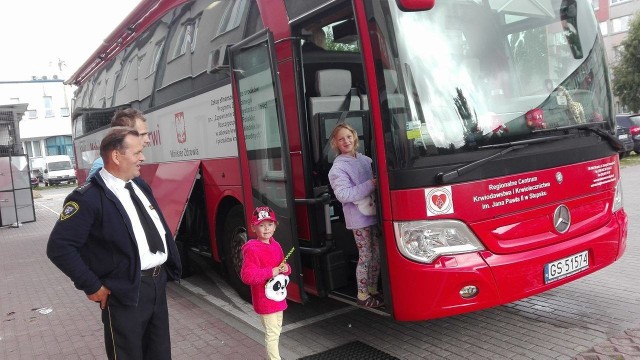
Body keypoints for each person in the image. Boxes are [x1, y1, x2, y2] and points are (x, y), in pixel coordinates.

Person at [47, 127, 182, 360]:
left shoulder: (140, 186)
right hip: (125, 291)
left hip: (157, 286)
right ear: (116, 157)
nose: (143, 157)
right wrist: (91, 285)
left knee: (160, 354)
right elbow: (59, 247)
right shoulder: (87, 198)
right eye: (137, 152)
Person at [327, 122, 383, 308]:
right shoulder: (337, 168)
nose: (346, 141)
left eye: (348, 136)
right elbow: (343, 195)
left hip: (375, 213)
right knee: (366, 255)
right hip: (358, 219)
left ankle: (373, 289)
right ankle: (362, 294)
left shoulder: (365, 160)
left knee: (377, 253)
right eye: (341, 138)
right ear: (336, 143)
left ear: (354, 137)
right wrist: (371, 184)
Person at [240, 206, 291, 360]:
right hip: (265, 299)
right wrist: (271, 271)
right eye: (261, 225)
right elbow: (247, 276)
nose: (266, 228)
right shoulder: (252, 249)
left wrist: (286, 268)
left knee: (276, 330)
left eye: (269, 224)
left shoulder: (276, 245)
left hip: (278, 297)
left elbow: (284, 267)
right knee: (272, 333)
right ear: (253, 227)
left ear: (275, 226)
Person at [86, 108, 151, 181]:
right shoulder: (101, 166)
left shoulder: (134, 175)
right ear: (124, 134)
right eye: (142, 134)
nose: (148, 140)